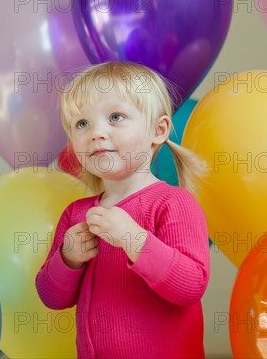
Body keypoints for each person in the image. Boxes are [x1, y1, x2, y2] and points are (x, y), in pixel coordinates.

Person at [36, 62, 210, 358]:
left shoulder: (173, 203)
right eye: (82, 124)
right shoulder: (76, 214)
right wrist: (68, 259)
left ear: (158, 130)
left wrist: (134, 240)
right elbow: (52, 297)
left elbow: (191, 285)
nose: (96, 133)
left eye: (115, 117)